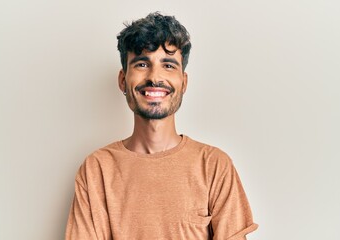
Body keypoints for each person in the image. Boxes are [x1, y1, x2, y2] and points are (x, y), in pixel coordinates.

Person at [65, 12, 258, 240]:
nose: (154, 77)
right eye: (142, 63)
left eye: (168, 65)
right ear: (122, 80)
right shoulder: (97, 170)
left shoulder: (214, 166)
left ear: (183, 82)